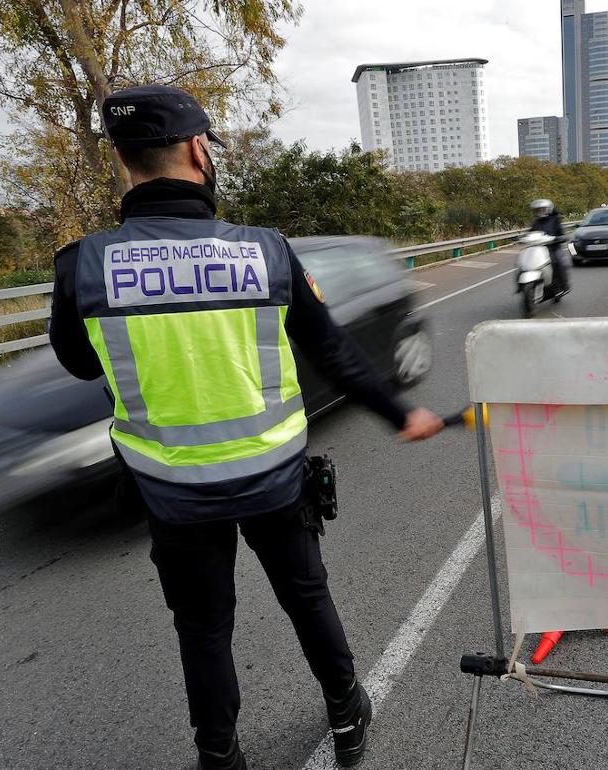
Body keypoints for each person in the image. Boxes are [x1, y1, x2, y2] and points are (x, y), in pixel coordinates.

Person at [48, 85, 445, 770]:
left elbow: (81, 364)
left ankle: (220, 755)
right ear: (199, 150)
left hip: (173, 493)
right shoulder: (265, 252)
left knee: (203, 629)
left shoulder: (84, 265)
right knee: (306, 598)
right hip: (273, 480)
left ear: (123, 160)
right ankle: (347, 715)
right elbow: (333, 350)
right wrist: (399, 410)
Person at [528, 198, 570, 295]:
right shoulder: (535, 221)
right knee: (525, 260)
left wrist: (559, 238)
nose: (540, 211)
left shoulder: (555, 219)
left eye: (542, 209)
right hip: (537, 248)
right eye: (538, 210)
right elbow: (530, 232)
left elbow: (562, 233)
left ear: (548, 209)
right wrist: (522, 238)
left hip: (553, 247)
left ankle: (562, 286)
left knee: (556, 262)